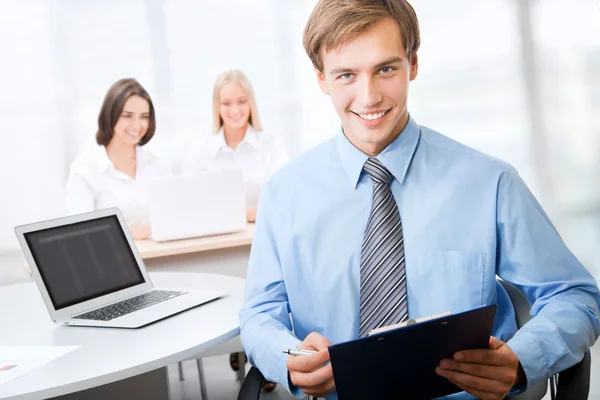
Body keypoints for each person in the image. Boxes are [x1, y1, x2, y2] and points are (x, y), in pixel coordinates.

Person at [239, 1, 600, 399]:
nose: (369, 96)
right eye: (346, 75)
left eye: (386, 69)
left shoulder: (490, 182)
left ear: (412, 64)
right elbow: (260, 316)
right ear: (321, 78)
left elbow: (575, 296)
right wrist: (290, 355)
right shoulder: (284, 194)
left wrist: (520, 359)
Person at [65, 78, 171, 240]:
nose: (137, 125)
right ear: (111, 116)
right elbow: (80, 232)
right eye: (127, 116)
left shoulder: (157, 166)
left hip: (160, 258)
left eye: (144, 116)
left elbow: (172, 218)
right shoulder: (86, 168)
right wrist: (133, 232)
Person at [186, 69, 289, 223]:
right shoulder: (202, 151)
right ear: (217, 106)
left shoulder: (272, 145)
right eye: (226, 103)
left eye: (241, 101)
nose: (235, 110)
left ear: (250, 103)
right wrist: (249, 214)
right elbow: (193, 205)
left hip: (265, 233)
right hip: (219, 238)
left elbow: (284, 199)